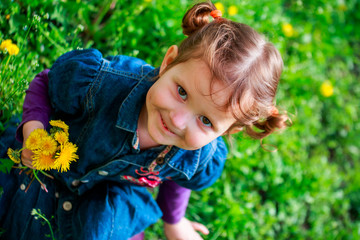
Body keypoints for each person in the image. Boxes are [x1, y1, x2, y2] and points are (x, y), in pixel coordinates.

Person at [0, 1, 289, 239]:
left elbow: (181, 173)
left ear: (228, 131)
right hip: (54, 155)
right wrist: (34, 129)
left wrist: (174, 221)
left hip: (110, 190)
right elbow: (45, 83)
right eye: (181, 92)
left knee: (99, 230)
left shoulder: (200, 154)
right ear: (168, 62)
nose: (177, 120)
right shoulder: (100, 83)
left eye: (205, 120)